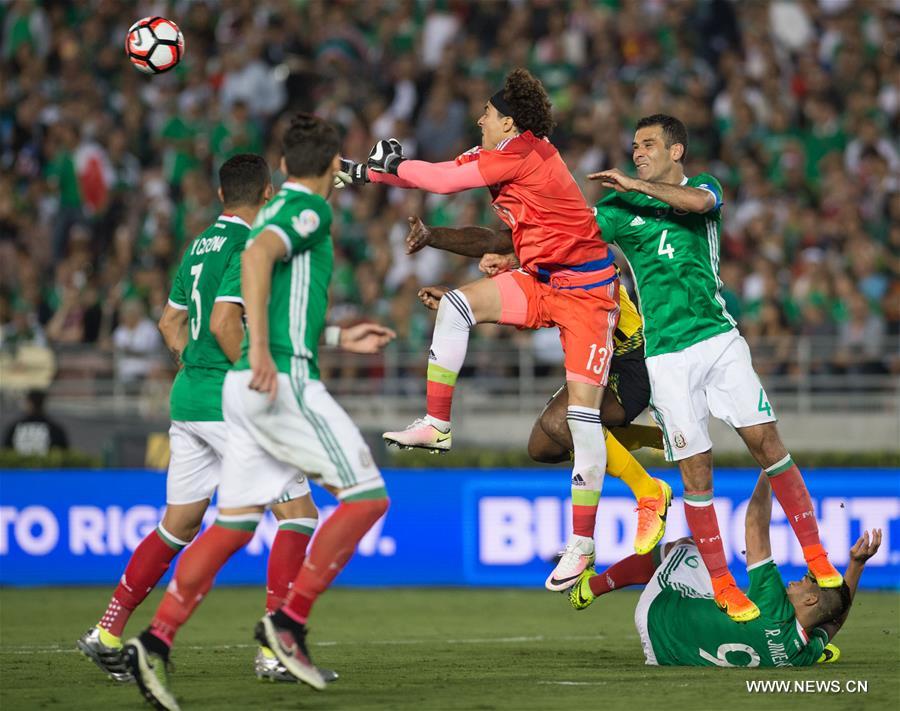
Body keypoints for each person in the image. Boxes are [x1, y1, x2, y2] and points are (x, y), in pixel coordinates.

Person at [123, 114, 396, 707]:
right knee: (368, 497)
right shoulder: (305, 214)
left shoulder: (263, 214)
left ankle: (155, 640)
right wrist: (271, 356)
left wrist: (341, 340)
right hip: (287, 385)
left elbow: (244, 310)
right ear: (325, 170)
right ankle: (288, 625)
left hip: (237, 391)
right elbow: (263, 258)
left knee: (234, 524)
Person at [341, 69, 637, 592]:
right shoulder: (502, 153)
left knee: (582, 419)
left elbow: (438, 180)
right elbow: (431, 174)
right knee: (456, 305)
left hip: (588, 295)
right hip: (542, 280)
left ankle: (582, 543)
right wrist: (367, 174)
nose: (478, 118)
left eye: (486, 112)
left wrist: (389, 163)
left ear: (507, 121)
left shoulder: (524, 152)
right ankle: (437, 423)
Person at [76, 154, 322, 686]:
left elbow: (171, 323)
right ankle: (277, 651)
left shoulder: (198, 246)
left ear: (218, 196)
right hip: (228, 406)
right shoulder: (249, 245)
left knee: (178, 524)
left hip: (188, 401)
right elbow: (223, 320)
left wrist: (200, 368)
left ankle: (108, 631)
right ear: (267, 192)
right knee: (299, 515)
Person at [586, 113, 843, 621]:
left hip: (718, 340)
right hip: (666, 357)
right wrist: (513, 259)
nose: (637, 152)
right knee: (695, 471)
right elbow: (573, 243)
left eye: (648, 144)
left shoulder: (704, 187)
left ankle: (816, 553)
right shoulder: (617, 208)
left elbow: (699, 204)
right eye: (634, 146)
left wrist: (636, 184)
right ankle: (723, 583)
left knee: (766, 443)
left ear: (676, 151)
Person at [407, 217, 670, 556]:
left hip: (630, 356)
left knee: (562, 422)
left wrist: (510, 263)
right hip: (599, 358)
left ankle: (649, 491)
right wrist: (463, 303)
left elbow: (572, 274)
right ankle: (650, 438)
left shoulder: (576, 249)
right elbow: (533, 302)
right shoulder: (542, 259)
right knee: (543, 448)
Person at [567, 471, 881, 668]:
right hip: (665, 657)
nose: (797, 579)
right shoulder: (799, 654)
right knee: (729, 598)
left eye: (806, 581)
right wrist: (856, 566)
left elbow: (755, 521)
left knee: (689, 546)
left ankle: (589, 588)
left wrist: (771, 467)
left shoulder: (774, 602)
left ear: (811, 600)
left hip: (659, 614)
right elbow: (833, 621)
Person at [2, 389, 69, 455]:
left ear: (29, 403)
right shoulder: (55, 429)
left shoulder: (15, 428)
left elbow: (5, 452)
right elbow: (65, 454)